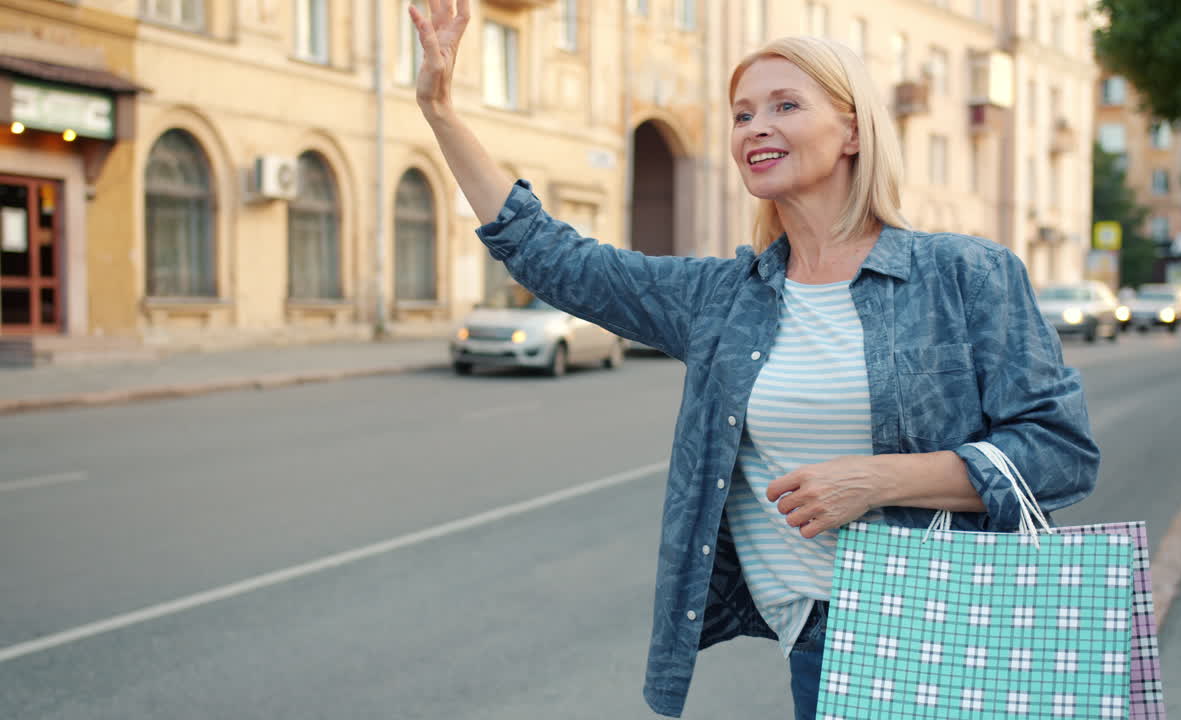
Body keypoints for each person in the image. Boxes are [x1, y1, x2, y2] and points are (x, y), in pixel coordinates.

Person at [408, 3, 1097, 719]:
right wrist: (440, 111)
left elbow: (1061, 451)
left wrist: (877, 481)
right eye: (741, 114)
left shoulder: (964, 274)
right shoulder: (724, 299)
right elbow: (552, 257)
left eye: (785, 105)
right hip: (821, 646)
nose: (755, 127)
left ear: (854, 129)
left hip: (955, 631)